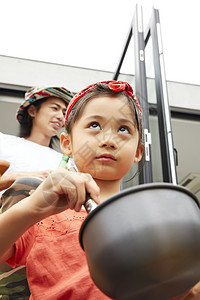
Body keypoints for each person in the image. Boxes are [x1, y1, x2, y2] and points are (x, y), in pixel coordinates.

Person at [0, 80, 198, 299]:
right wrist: (32, 208)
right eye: (94, 125)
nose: (108, 140)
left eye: (123, 129)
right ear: (67, 144)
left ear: (138, 151)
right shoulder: (42, 210)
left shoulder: (156, 220)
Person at [0, 86, 74, 299]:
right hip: (7, 240)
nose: (60, 116)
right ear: (32, 111)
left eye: (64, 112)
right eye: (54, 108)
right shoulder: (5, 143)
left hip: (48, 245)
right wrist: (26, 176)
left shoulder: (69, 161)